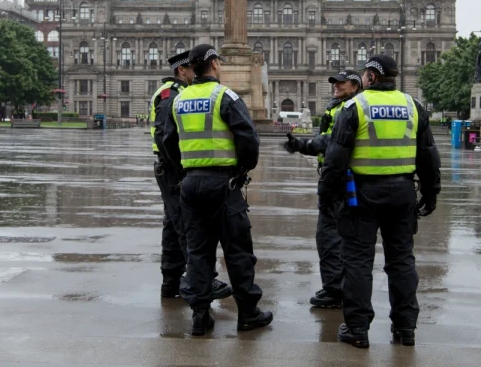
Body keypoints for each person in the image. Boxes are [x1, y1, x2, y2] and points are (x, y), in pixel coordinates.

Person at [322, 55, 441, 349]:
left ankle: (358, 329)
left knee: (358, 263)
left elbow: (335, 160)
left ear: (372, 77)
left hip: (361, 195)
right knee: (401, 261)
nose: (362, 79)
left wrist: (326, 196)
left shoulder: (354, 107)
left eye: (364, 75)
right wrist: (430, 191)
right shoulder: (413, 107)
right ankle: (406, 328)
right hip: (402, 193)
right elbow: (428, 155)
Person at [159, 44, 272, 336]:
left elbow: (167, 141)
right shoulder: (225, 96)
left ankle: (200, 315)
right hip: (224, 183)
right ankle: (247, 313)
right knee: (237, 251)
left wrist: (185, 169)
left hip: (191, 184)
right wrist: (242, 170)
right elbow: (249, 139)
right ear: (214, 64)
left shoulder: (179, 100)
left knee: (198, 251)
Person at [151, 51, 232, 301]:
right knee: (187, 226)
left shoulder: (173, 93)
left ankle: (171, 280)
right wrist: (181, 167)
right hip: (173, 169)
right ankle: (202, 280)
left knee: (172, 225)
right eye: (191, 69)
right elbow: (165, 137)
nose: (195, 72)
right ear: (182, 71)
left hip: (169, 168)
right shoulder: (171, 95)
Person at [282, 69, 363, 308]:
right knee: (345, 239)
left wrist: (303, 145)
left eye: (342, 83)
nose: (336, 86)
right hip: (347, 178)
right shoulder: (341, 107)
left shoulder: (348, 110)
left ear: (355, 86)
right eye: (335, 83)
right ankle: (341, 288)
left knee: (329, 238)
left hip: (341, 180)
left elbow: (331, 143)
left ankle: (334, 291)